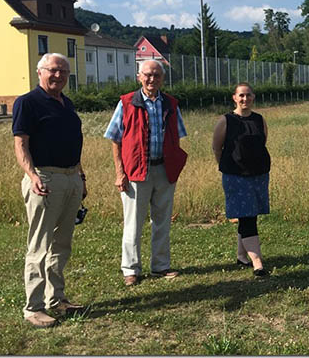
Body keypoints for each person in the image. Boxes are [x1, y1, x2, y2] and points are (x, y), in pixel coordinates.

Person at [12, 53, 86, 328]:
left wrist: (81, 177)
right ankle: (34, 307)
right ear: (39, 72)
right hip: (44, 178)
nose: (58, 76)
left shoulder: (66, 103)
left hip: (70, 178)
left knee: (61, 244)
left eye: (64, 72)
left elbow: (72, 143)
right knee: (39, 245)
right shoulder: (27, 103)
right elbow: (21, 144)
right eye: (53, 71)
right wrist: (31, 175)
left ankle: (57, 299)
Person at [104, 59, 188, 287]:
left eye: (157, 75)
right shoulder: (127, 102)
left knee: (162, 221)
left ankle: (160, 266)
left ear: (162, 78)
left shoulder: (171, 103)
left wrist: (174, 164)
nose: (152, 79)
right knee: (133, 222)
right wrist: (119, 172)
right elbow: (115, 138)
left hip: (164, 170)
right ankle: (130, 269)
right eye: (148, 75)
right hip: (135, 172)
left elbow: (178, 135)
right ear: (139, 77)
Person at [211, 83, 271, 277]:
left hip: (259, 175)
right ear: (234, 98)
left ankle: (241, 256)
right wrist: (228, 168)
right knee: (247, 217)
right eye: (241, 96)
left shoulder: (259, 120)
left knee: (249, 214)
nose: (245, 99)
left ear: (253, 97)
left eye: (248, 95)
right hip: (236, 177)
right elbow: (216, 148)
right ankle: (257, 263)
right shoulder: (226, 120)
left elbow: (263, 142)